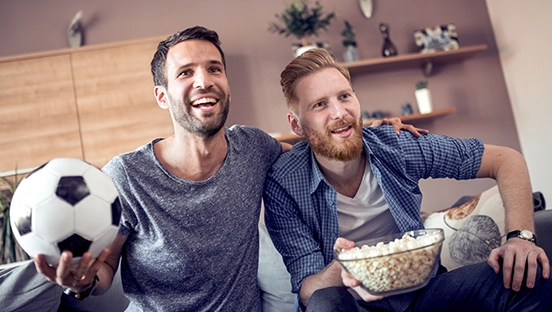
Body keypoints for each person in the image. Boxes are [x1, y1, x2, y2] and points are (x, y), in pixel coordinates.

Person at [31, 27, 420, 311]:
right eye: (186, 73)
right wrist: (80, 284)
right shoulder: (126, 176)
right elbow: (105, 269)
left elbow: (318, 149)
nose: (204, 81)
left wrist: (373, 135)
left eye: (214, 69)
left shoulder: (254, 148)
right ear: (162, 97)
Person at [263, 48, 552, 311]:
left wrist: (521, 238)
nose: (340, 113)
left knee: (529, 279)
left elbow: (506, 160)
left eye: (345, 96)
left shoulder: (397, 144)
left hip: (423, 294)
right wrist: (341, 271)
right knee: (324, 302)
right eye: (320, 105)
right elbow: (306, 289)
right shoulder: (284, 183)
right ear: (296, 124)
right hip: (353, 305)